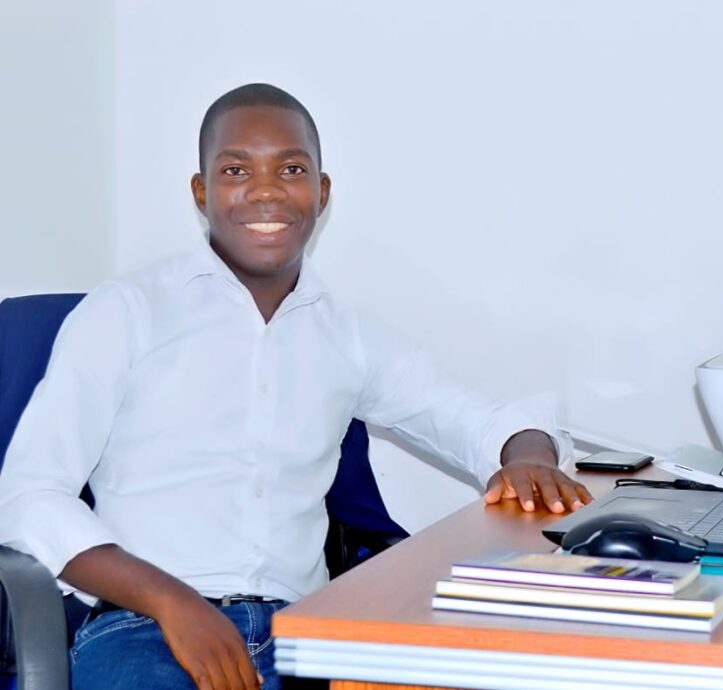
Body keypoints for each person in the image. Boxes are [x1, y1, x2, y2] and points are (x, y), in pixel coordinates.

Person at [0, 83, 592, 690]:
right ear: (201, 192)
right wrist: (173, 602)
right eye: (236, 170)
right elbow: (29, 496)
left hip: (304, 632)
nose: (266, 190)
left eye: (290, 169)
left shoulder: (346, 337)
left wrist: (526, 455)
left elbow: (473, 419)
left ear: (321, 192)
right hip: (147, 628)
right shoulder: (126, 312)